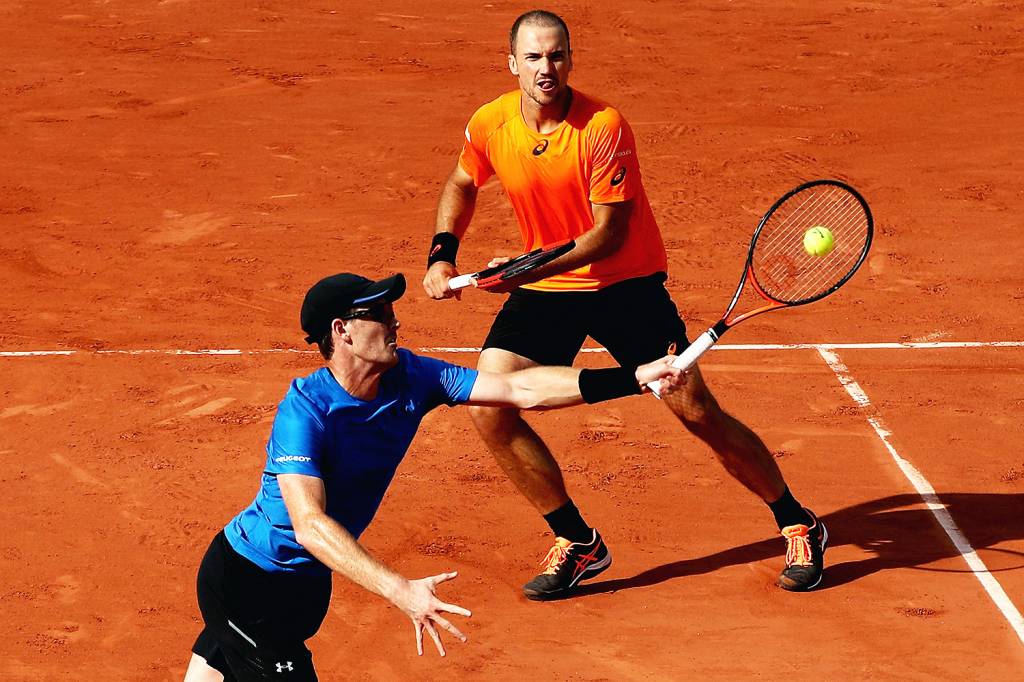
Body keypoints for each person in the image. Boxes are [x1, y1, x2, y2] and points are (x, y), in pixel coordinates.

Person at [422, 9, 828, 601]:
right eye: (533, 57)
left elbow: (608, 236)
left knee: (695, 411)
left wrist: (524, 268)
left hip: (625, 284)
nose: (546, 68)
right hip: (547, 287)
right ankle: (578, 541)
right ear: (512, 64)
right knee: (489, 406)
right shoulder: (490, 124)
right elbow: (462, 183)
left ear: (570, 60)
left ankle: (799, 522)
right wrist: (442, 254)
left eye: (557, 55)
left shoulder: (603, 127)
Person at [184, 272, 683, 681]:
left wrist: (633, 376)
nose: (393, 320)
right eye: (378, 313)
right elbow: (309, 525)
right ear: (343, 331)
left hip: (305, 585)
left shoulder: (413, 376)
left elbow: (518, 389)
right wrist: (400, 590)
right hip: (248, 582)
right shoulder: (306, 410)